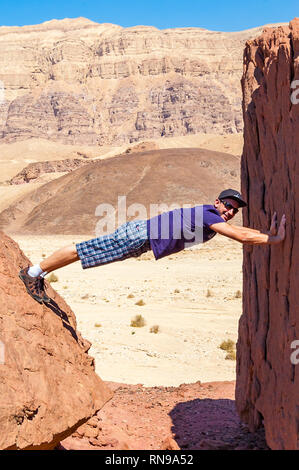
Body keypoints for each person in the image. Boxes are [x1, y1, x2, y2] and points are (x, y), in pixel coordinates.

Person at [19, 188, 286, 304]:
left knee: (85, 254)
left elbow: (238, 230)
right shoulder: (209, 215)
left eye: (235, 210)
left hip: (142, 241)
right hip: (140, 235)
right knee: (83, 250)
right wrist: (273, 239)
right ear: (218, 202)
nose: (230, 212)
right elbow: (238, 237)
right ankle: (32, 273)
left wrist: (265, 232)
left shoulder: (211, 215)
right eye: (229, 206)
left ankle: (38, 273)